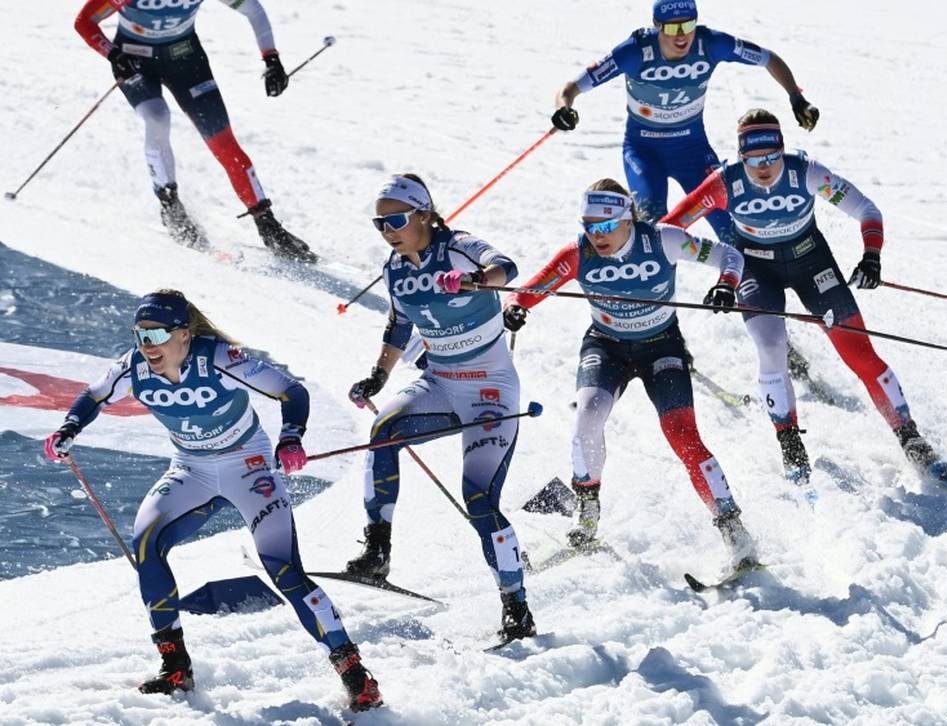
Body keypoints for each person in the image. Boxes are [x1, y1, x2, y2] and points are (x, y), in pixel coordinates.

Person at [41, 290, 381, 712]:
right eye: (140, 335)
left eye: (157, 335)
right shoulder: (133, 367)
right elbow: (94, 396)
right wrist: (68, 429)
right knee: (147, 545)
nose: (147, 345)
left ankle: (355, 674)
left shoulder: (220, 358)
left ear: (184, 334)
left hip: (249, 466)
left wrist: (291, 438)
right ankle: (175, 666)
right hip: (191, 469)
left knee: (284, 570)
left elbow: (291, 392)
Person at [660, 109, 947, 488]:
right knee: (771, 345)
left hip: (811, 261)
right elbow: (667, 229)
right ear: (740, 157)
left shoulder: (805, 172)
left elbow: (867, 210)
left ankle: (909, 435)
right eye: (753, 160)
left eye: (772, 157)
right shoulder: (724, 182)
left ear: (782, 150)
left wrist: (871, 256)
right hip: (756, 269)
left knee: (857, 351)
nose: (764, 168)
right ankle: (789, 442)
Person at [502, 179, 758, 572]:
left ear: (628, 220)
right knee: (588, 416)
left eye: (606, 226)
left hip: (661, 345)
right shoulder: (579, 254)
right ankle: (587, 508)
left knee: (682, 434)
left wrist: (726, 286)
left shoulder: (663, 239)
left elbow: (729, 256)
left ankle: (731, 526)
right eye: (589, 226)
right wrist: (517, 306)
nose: (597, 235)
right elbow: (528, 290)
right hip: (607, 346)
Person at [345, 173, 536, 643]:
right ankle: (377, 551)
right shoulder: (395, 268)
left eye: (395, 220)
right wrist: (378, 376)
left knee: (479, 499)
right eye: (379, 223)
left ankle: (516, 606)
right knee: (384, 430)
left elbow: (506, 267)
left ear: (424, 215)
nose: (387, 230)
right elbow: (398, 325)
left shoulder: (459, 247)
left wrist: (476, 281)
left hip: (490, 391)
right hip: (441, 384)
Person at [549, 0, 819, 245]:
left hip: (693, 151)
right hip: (644, 153)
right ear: (657, 26)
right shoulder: (634, 52)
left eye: (688, 25)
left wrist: (796, 98)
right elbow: (571, 88)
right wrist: (564, 109)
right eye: (672, 28)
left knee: (731, 224)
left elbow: (768, 58)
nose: (681, 35)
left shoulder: (711, 44)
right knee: (654, 230)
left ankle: (746, 280)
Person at [73, 0, 316, 262]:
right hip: (134, 59)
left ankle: (267, 224)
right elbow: (85, 22)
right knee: (157, 117)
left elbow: (253, 10)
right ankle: (170, 205)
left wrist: (271, 58)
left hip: (185, 60)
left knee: (223, 141)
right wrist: (113, 55)